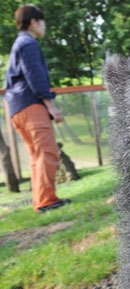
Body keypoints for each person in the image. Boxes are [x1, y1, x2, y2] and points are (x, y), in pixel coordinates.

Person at [5, 5, 71, 212]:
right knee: (47, 151)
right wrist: (50, 105)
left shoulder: (19, 44)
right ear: (33, 22)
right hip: (30, 104)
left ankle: (41, 199)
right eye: (43, 22)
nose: (45, 27)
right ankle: (46, 201)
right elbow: (36, 77)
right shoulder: (28, 44)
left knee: (36, 155)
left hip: (16, 108)